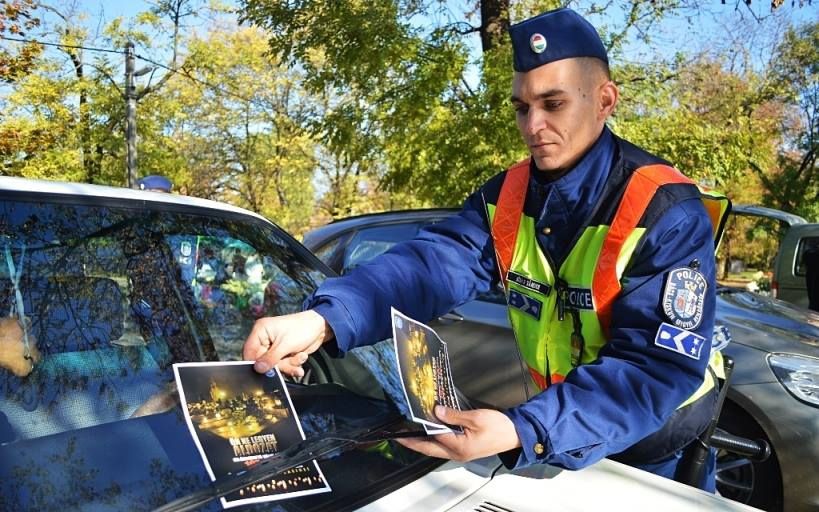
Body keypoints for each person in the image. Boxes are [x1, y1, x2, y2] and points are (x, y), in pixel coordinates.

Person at [243, 7, 729, 490]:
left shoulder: (665, 209)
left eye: (553, 104)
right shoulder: (507, 198)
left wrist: (525, 428)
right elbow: (428, 267)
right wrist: (323, 320)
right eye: (522, 107)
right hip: (562, 428)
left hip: (658, 442)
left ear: (605, 100)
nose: (533, 125)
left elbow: (653, 369)